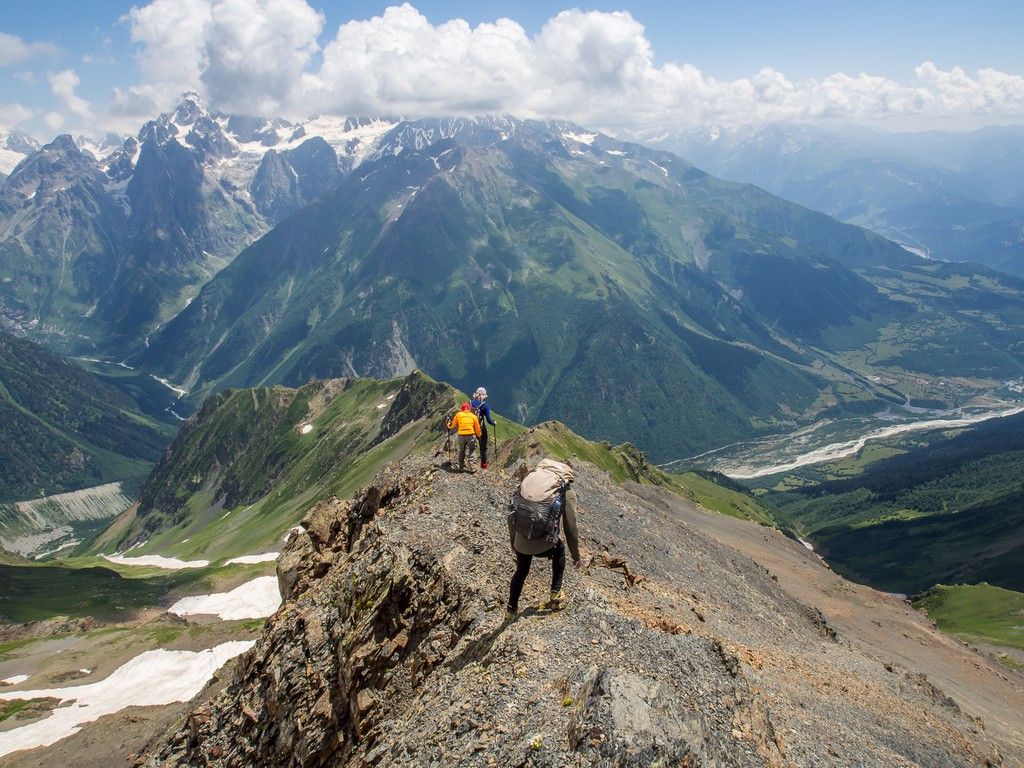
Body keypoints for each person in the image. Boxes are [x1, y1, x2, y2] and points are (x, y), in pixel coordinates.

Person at [506, 458, 581, 619]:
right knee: (560, 550)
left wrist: (513, 540)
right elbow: (570, 527)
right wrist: (576, 555)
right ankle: (555, 594)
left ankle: (510, 610)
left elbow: (512, 512)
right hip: (544, 543)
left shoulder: (530, 480)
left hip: (521, 538)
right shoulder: (566, 491)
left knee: (521, 570)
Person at [446, 402, 482, 472]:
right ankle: (472, 468)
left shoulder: (458, 415)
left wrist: (448, 424)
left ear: (462, 409)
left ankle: (461, 467)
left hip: (461, 436)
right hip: (471, 435)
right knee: (472, 450)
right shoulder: (473, 416)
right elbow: (477, 429)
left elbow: (452, 426)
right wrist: (479, 435)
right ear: (469, 409)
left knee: (462, 450)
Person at [471, 387, 497, 469]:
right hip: (480, 428)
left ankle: (470, 463)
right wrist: (494, 423)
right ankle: (483, 464)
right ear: (483, 395)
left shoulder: (470, 403)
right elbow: (489, 420)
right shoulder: (485, 405)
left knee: (471, 446)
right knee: (483, 446)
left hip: (471, 427)